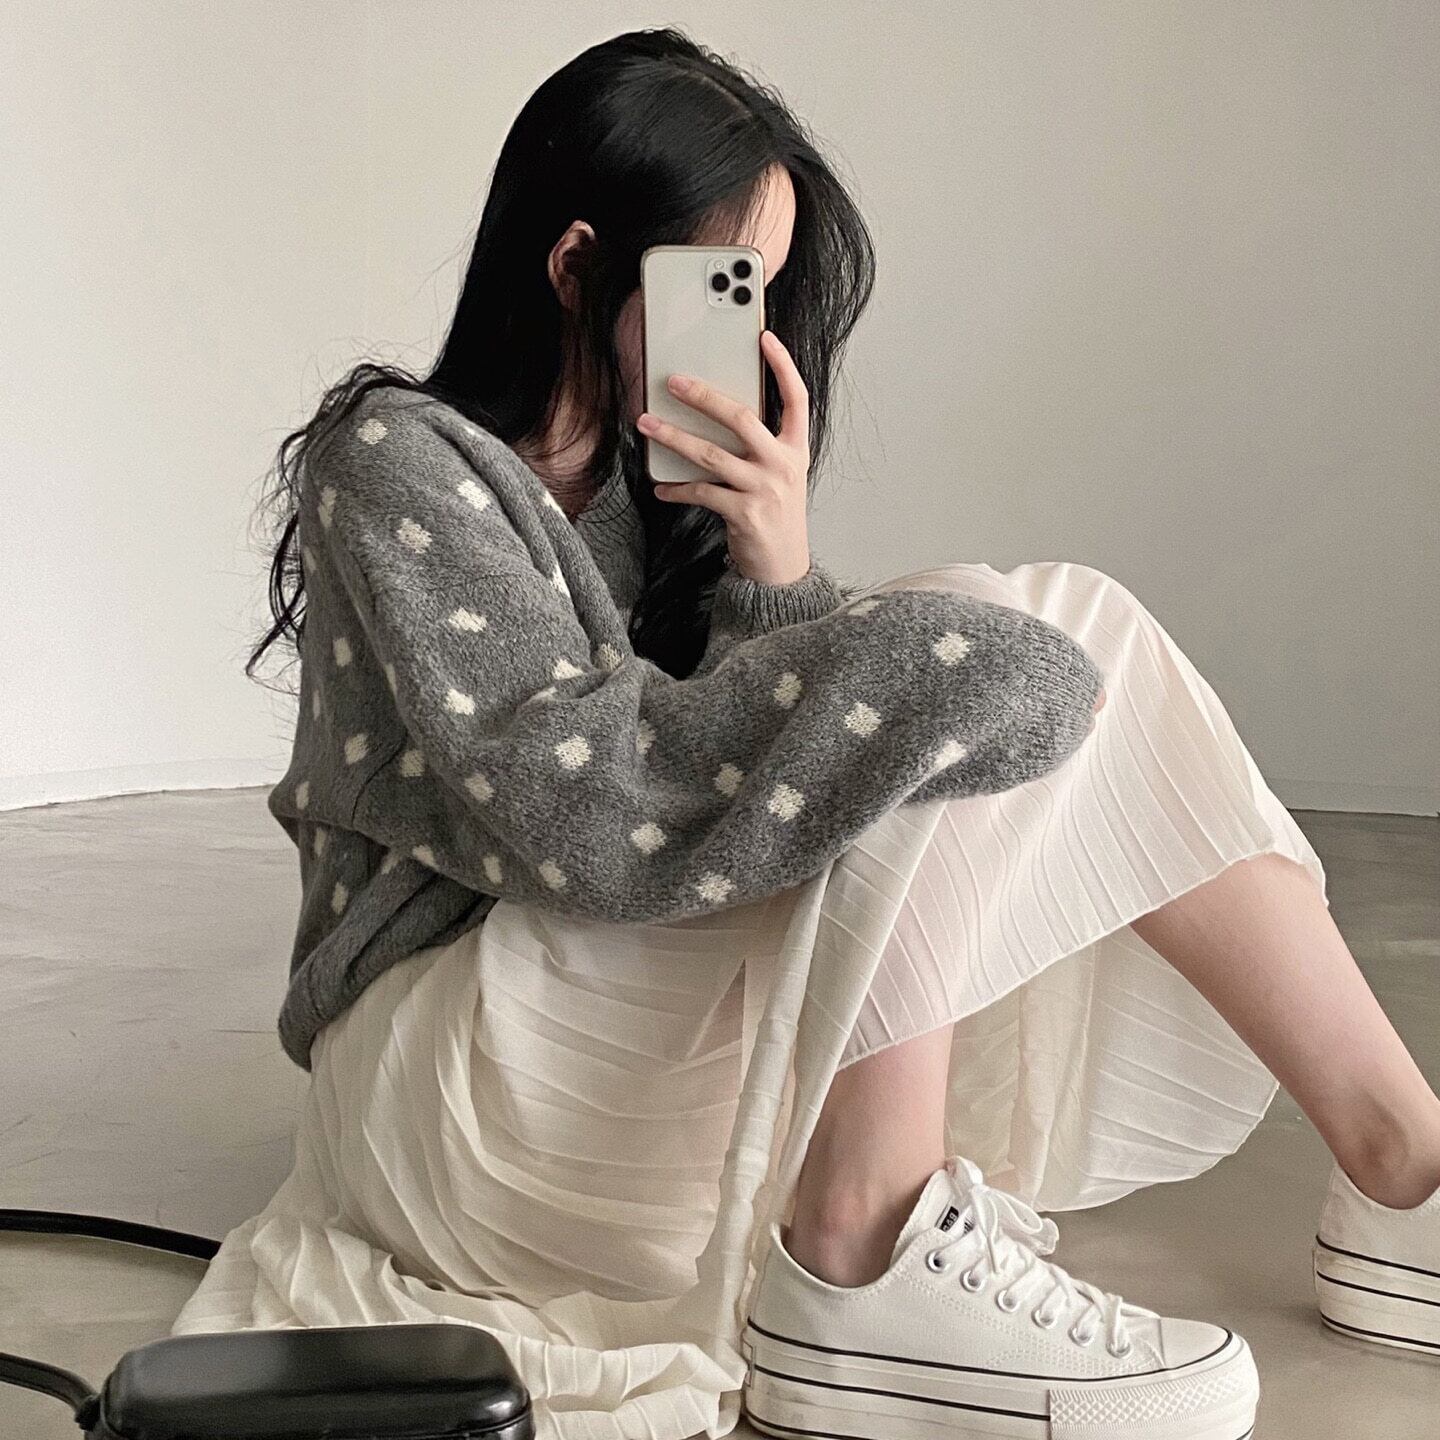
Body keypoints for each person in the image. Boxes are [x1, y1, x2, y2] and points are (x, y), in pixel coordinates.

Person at [174, 27, 1440, 1440]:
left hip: (610, 1029)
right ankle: (862, 1245)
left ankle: (1406, 1178)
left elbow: (748, 805)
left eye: (764, 289)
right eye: (719, 285)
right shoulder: (397, 459)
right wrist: (898, 661)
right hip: (453, 1083)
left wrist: (772, 564)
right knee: (964, 663)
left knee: (1054, 631)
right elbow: (589, 816)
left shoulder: (658, 485)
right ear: (577, 264)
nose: (750, 329)